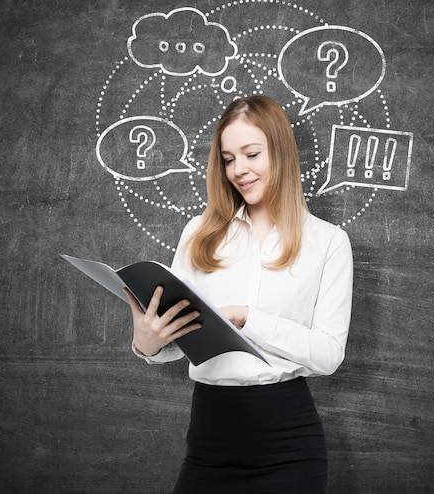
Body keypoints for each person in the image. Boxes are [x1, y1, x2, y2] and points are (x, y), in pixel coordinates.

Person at [125, 95, 353, 493]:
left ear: (280, 152)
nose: (239, 170)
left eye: (251, 154)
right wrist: (148, 344)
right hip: (210, 436)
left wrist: (249, 318)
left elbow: (329, 354)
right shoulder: (200, 234)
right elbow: (178, 341)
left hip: (289, 442)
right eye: (229, 159)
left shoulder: (329, 242)